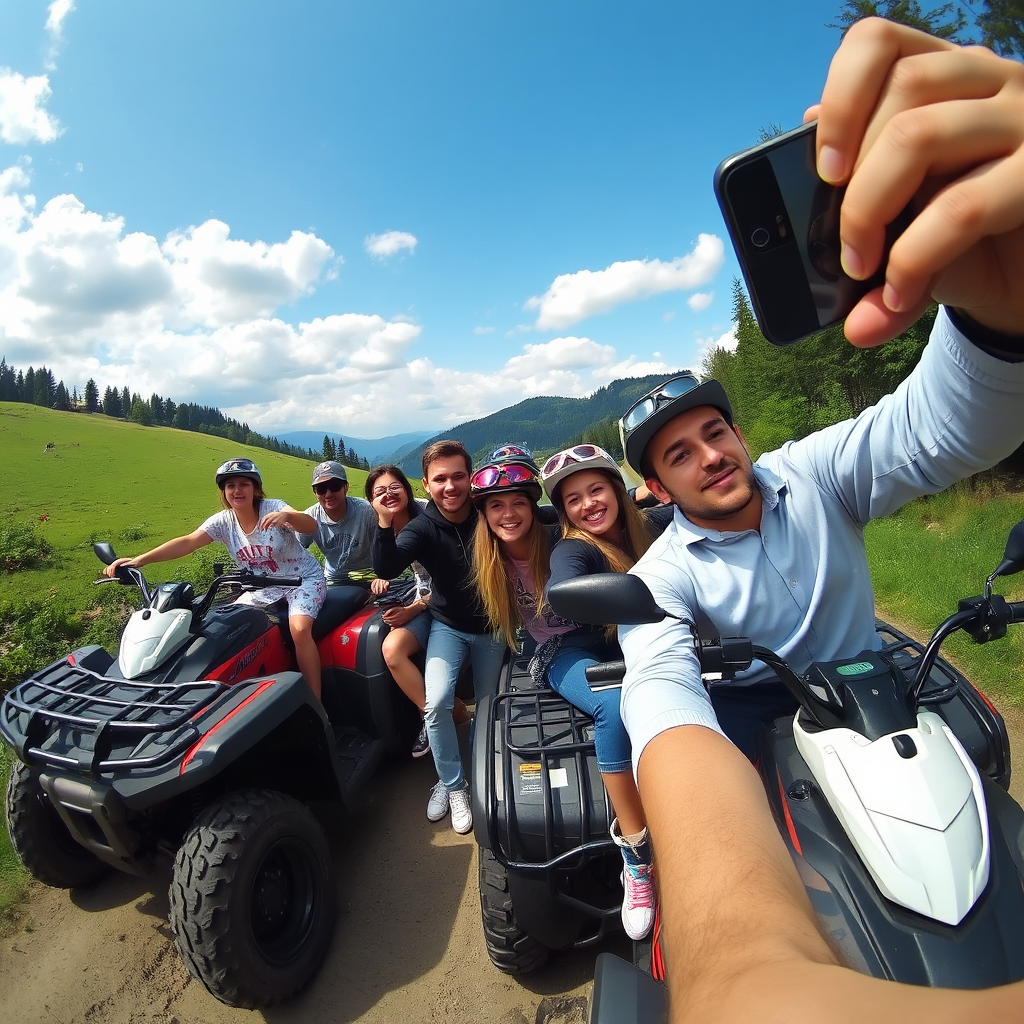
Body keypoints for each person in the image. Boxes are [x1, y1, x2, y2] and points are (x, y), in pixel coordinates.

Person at [604, 20, 1024, 1023]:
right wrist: (738, 964)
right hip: (757, 714)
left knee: (991, 745)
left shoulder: (812, 470)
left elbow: (939, 428)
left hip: (880, 696)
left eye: (715, 430)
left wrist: (998, 318)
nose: (710, 452)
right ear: (657, 487)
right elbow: (662, 704)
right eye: (679, 452)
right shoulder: (663, 575)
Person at [471, 443, 663, 939]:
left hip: (618, 633)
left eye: (518, 502)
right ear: (485, 515)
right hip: (559, 650)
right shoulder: (538, 552)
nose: (508, 513)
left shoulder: (563, 534)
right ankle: (636, 851)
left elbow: (618, 508)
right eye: (495, 505)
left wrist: (650, 490)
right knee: (614, 706)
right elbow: (567, 576)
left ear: (536, 506)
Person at [371, 440, 508, 834]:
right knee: (437, 705)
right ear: (426, 484)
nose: (450, 486)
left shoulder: (488, 511)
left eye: (458, 476)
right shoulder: (422, 527)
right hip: (448, 626)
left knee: (489, 706)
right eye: (440, 479)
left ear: (470, 478)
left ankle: (487, 771)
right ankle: (453, 785)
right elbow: (389, 563)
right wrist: (383, 520)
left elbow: (536, 515)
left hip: (493, 627)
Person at [104, 458, 328, 698]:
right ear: (224, 491)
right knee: (224, 627)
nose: (237, 490)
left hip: (302, 580)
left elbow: (310, 525)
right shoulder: (224, 521)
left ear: (255, 488)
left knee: (299, 629)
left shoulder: (273, 507)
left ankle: (315, 700)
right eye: (230, 485)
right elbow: (188, 542)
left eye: (244, 484)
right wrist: (139, 560)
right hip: (262, 588)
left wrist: (289, 518)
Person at [364, 464, 470, 758]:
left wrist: (413, 609)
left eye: (394, 487)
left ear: (409, 489)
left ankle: (443, 713)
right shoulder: (385, 522)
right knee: (392, 648)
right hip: (422, 596)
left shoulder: (428, 515)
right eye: (380, 491)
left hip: (443, 602)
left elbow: (450, 576)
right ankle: (434, 715)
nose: (388, 494)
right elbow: (392, 564)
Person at [299, 460, 377, 585]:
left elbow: (383, 545)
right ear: (315, 493)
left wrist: (383, 575)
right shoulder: (310, 517)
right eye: (321, 489)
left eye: (334, 486)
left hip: (370, 576)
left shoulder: (366, 511)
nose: (328, 494)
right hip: (333, 579)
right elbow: (298, 550)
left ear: (346, 487)